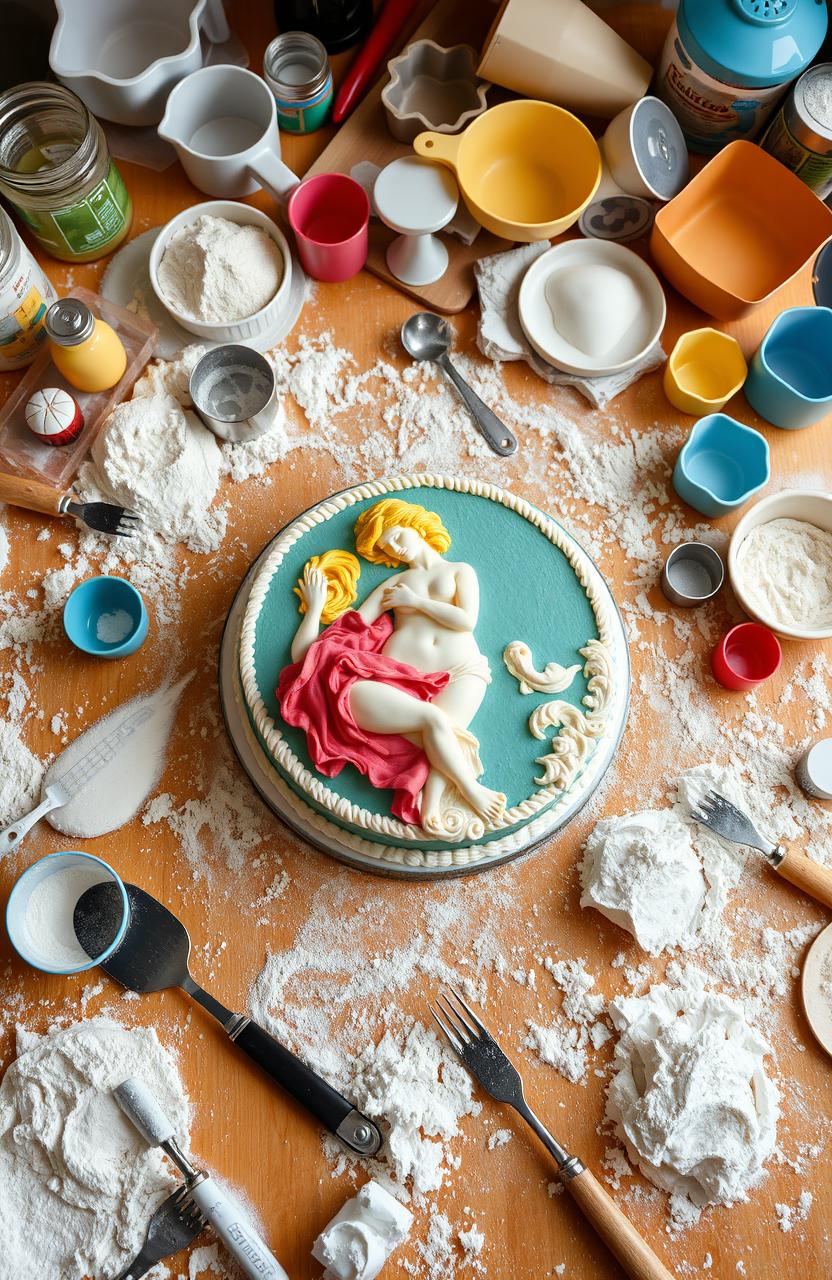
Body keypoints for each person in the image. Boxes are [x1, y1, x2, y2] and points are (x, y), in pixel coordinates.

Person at [279, 498, 505, 837]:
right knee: (438, 727)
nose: (397, 549)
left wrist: (415, 603)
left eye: (397, 537)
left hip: (462, 668)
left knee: (449, 732)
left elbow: (466, 621)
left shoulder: (459, 571)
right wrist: (316, 608)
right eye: (388, 548)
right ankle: (465, 794)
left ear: (414, 524)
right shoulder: (392, 585)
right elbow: (333, 641)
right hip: (402, 682)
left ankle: (432, 806)